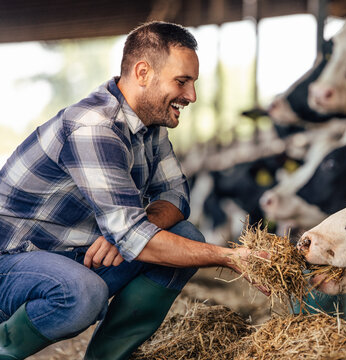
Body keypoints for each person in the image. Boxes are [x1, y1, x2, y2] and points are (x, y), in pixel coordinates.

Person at [0, 21, 262, 360]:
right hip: (12, 261)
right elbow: (134, 233)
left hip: (76, 253)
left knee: (183, 234)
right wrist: (230, 257)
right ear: (142, 72)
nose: (191, 96)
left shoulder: (150, 129)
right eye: (182, 81)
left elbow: (177, 197)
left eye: (193, 83)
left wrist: (127, 231)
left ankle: (107, 357)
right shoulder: (94, 127)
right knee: (83, 292)